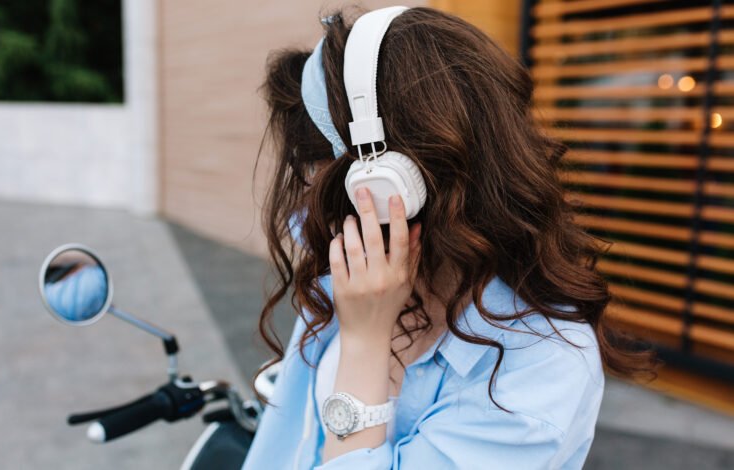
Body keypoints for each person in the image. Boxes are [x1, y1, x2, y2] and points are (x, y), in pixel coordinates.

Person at [243, 5, 656, 469]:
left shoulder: (539, 369)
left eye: (310, 166)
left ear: (380, 183)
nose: (304, 190)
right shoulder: (358, 266)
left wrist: (364, 344)